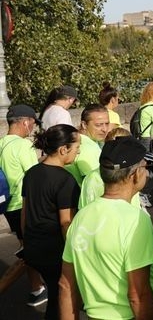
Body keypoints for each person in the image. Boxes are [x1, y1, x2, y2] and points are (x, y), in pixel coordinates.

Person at [59, 137, 153, 320]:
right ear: (135, 174)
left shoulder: (81, 217)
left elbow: (66, 285)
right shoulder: (135, 220)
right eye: (145, 167)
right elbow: (138, 295)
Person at [22, 124, 82, 320]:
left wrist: (25, 241)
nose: (78, 152)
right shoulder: (66, 180)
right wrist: (73, 254)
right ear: (64, 149)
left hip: (33, 245)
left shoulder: (32, 173)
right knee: (61, 299)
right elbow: (66, 222)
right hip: (54, 250)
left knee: (55, 295)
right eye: (76, 147)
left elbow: (25, 212)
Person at [0, 105, 45, 305]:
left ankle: (37, 288)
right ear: (25, 122)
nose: (33, 128)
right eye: (33, 123)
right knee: (29, 252)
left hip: (8, 205)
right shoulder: (22, 146)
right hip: (23, 203)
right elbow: (35, 175)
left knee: (25, 248)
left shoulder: (1, 143)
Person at [65, 104, 110, 186]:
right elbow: (96, 183)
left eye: (107, 124)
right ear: (84, 125)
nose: (105, 129)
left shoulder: (85, 141)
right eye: (98, 125)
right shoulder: (86, 147)